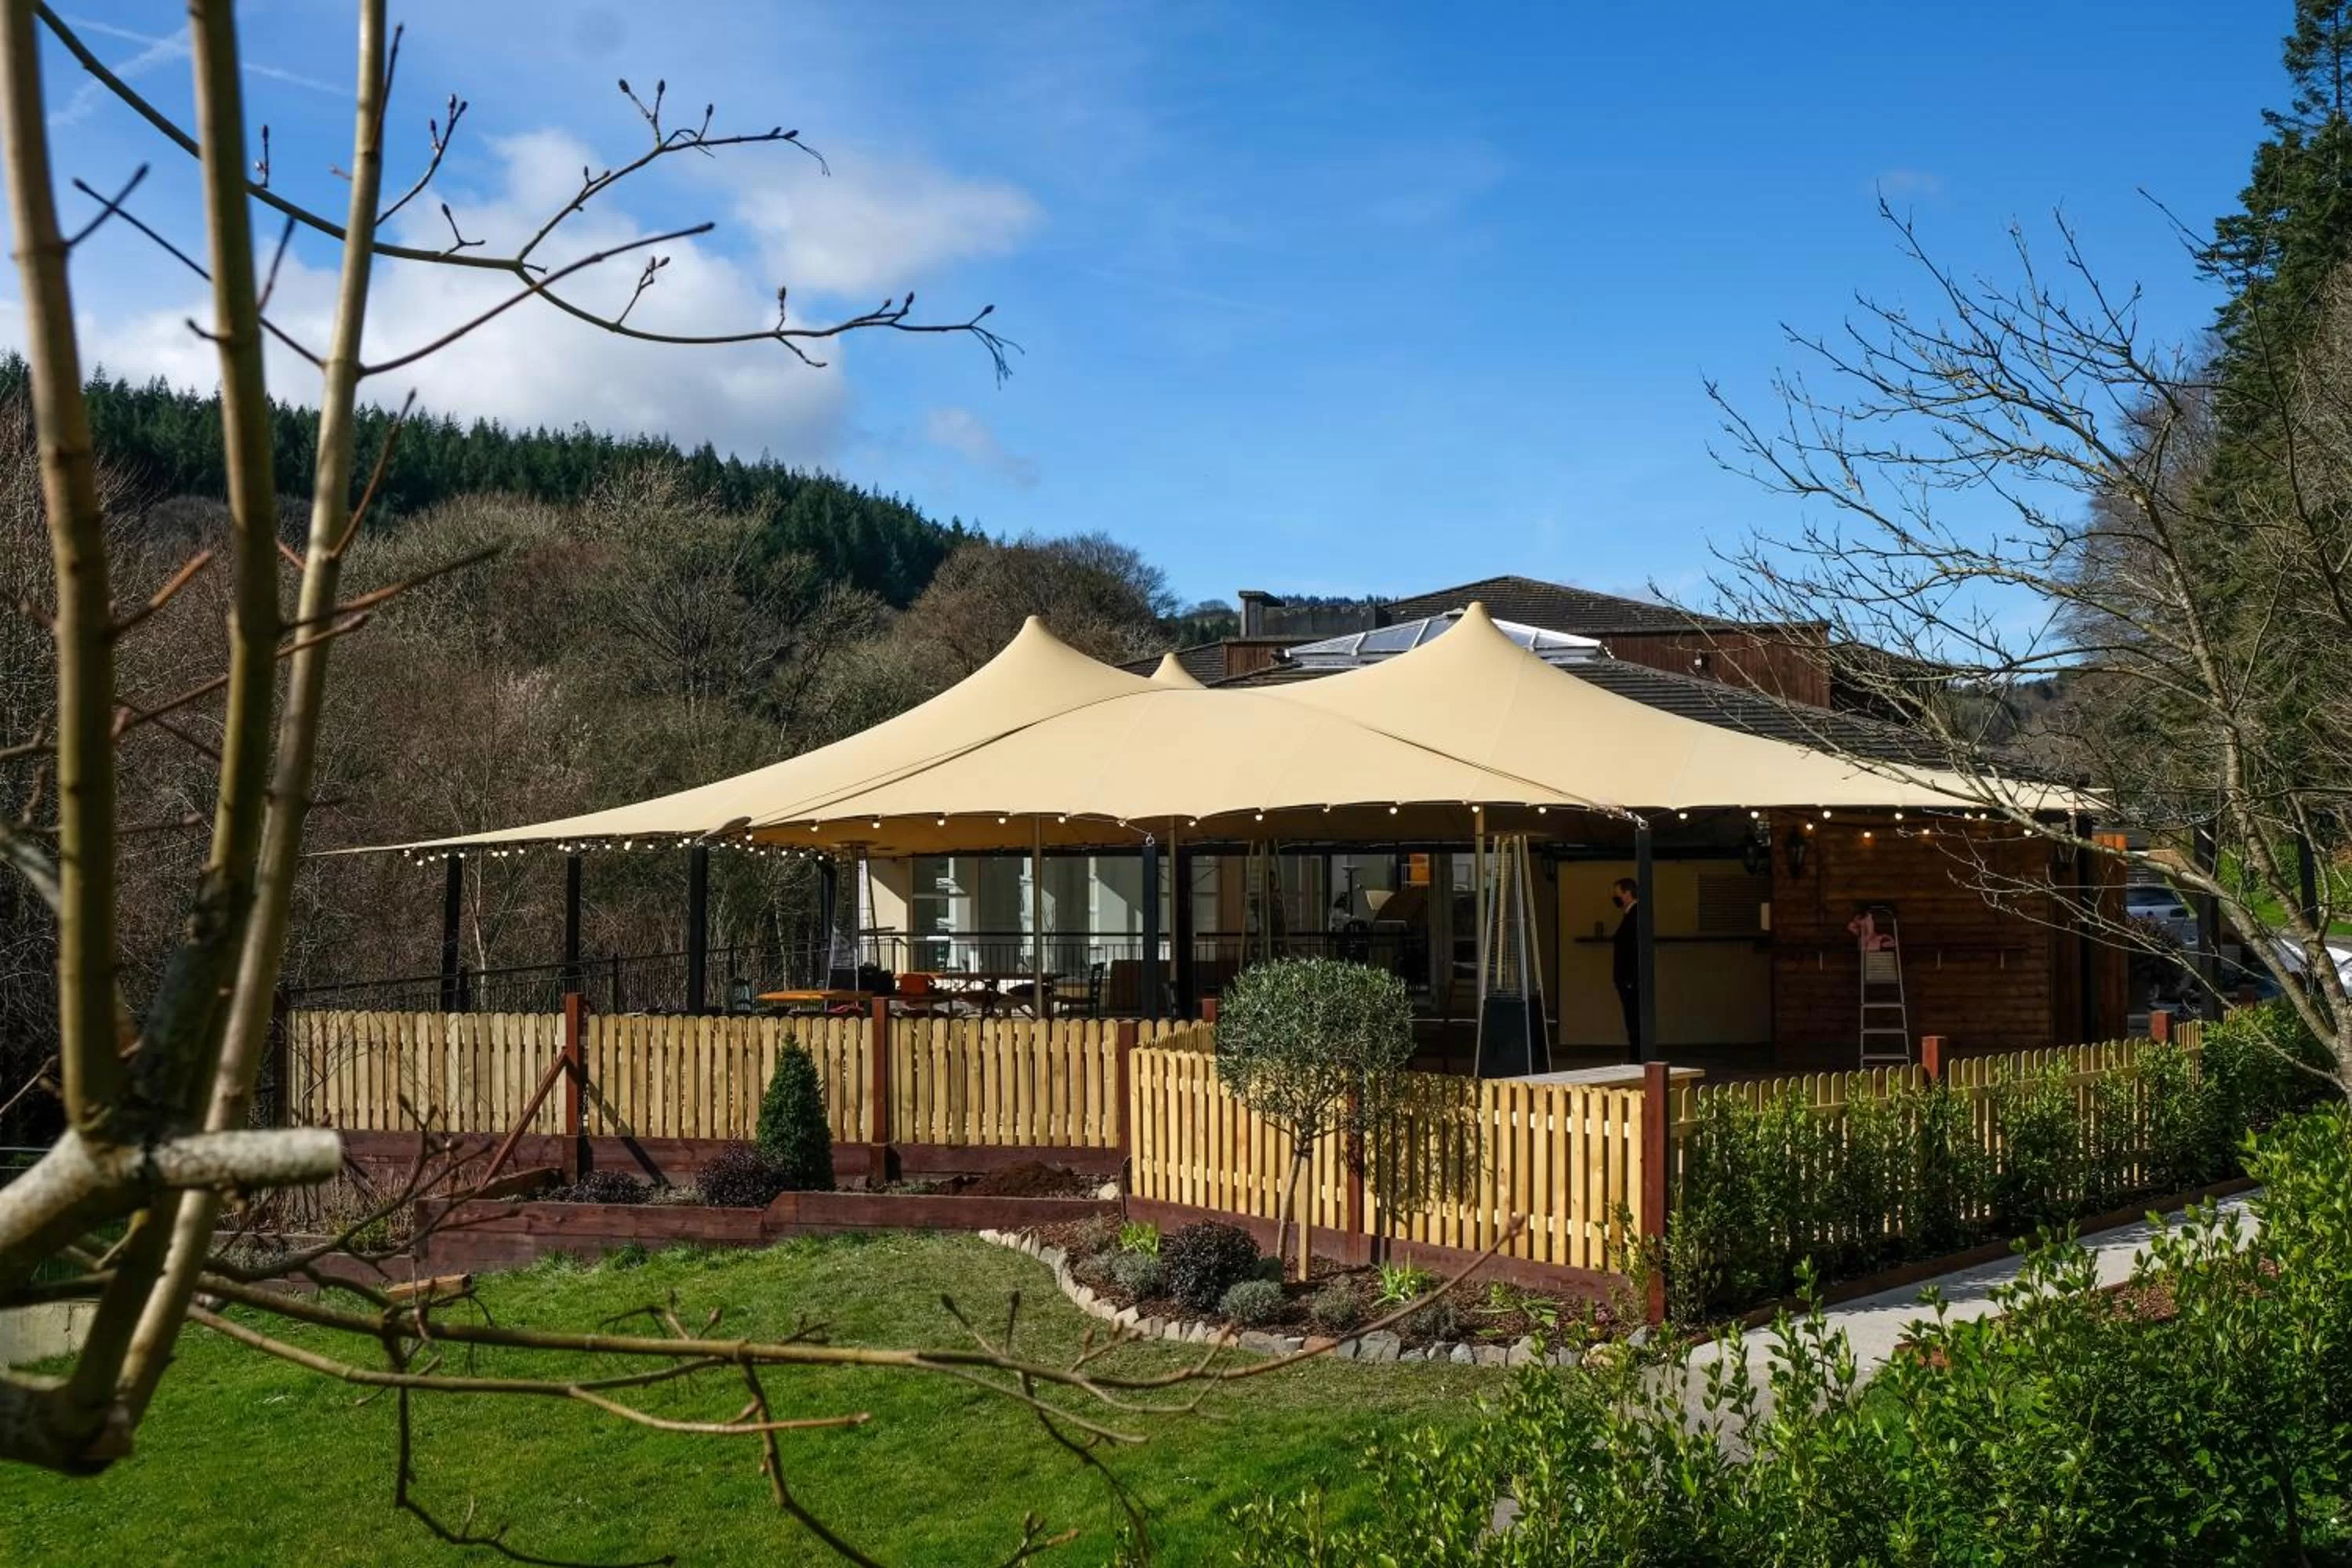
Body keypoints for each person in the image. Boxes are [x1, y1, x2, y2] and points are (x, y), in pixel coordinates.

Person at [1610, 877, 1642, 1054]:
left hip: (1629, 978)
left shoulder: (1634, 915)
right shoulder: (1631, 915)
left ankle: (1636, 1053)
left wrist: (1629, 978)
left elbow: (1631, 948)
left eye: (1618, 894)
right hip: (1627, 978)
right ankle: (1635, 1052)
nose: (1617, 898)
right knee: (1631, 1016)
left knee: (1633, 1016)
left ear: (1627, 894)